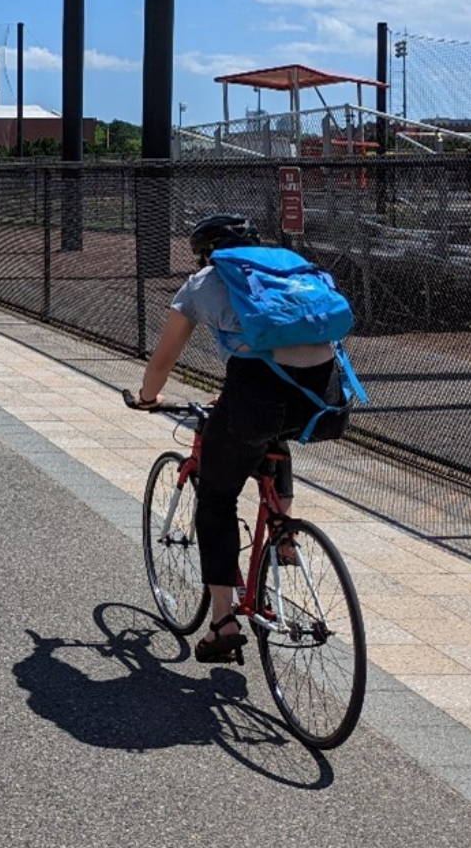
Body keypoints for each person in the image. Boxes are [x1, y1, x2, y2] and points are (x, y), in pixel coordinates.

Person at [131, 213, 339, 664]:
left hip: (256, 393)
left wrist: (149, 397)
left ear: (207, 252)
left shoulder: (204, 281)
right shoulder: (287, 266)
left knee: (217, 498)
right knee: (274, 434)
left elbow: (164, 357)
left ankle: (222, 622)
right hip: (324, 395)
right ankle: (284, 532)